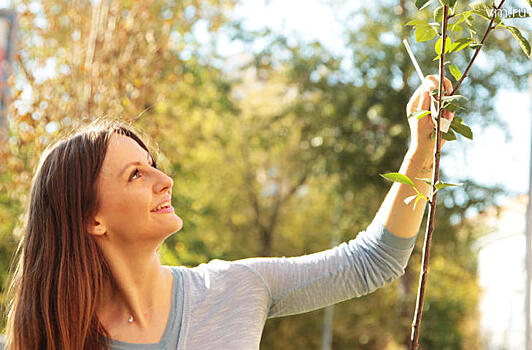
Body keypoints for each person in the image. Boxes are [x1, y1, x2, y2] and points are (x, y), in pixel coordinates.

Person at [5, 75, 455, 350]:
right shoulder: (46, 339)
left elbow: (373, 262)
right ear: (92, 219)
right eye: (135, 175)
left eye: (154, 166)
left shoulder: (236, 290)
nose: (165, 180)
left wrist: (419, 155)